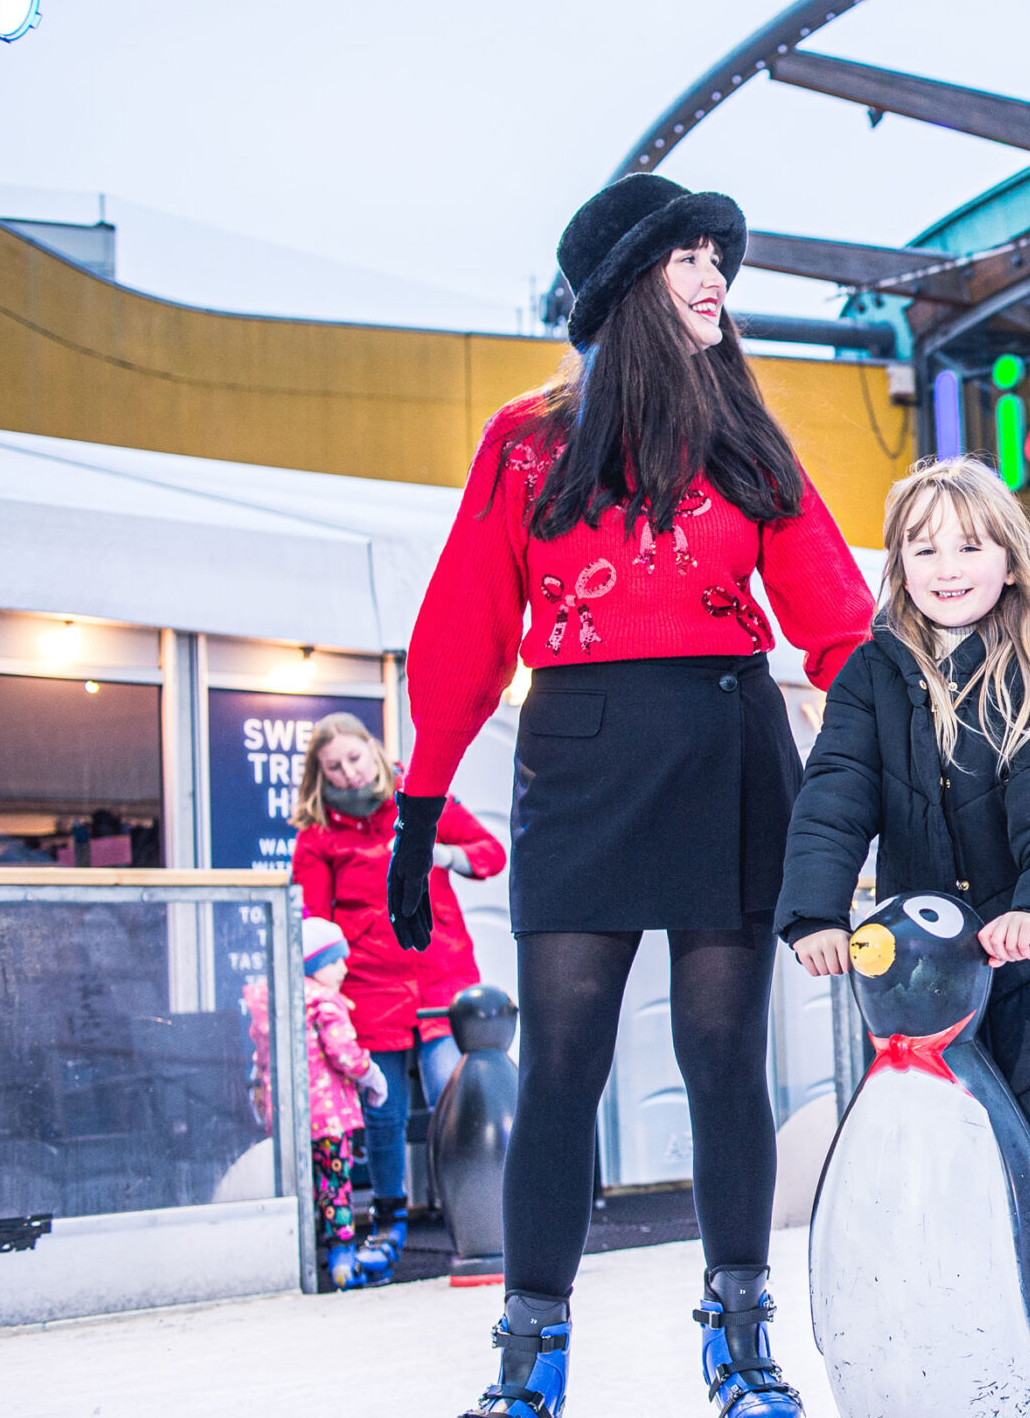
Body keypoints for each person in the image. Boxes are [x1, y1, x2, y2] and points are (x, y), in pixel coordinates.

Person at [391, 174, 874, 1418]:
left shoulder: (746, 434)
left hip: (728, 749)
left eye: (723, 255)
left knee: (723, 1061)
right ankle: (528, 1356)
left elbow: (837, 624)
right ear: (625, 285)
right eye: (690, 255)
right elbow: (461, 628)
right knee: (562, 1065)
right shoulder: (527, 438)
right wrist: (418, 809)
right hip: (579, 757)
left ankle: (742, 1339)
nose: (717, 275)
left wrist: (897, 772)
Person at [781, 457, 1030, 1418]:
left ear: (1008, 555)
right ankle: (962, 1338)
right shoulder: (874, 672)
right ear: (897, 563)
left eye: (969, 542)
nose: (946, 564)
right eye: (923, 546)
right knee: (944, 1166)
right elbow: (836, 797)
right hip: (932, 970)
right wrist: (817, 915)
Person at [289, 709, 504, 1284]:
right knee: (381, 1117)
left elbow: (491, 853)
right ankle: (388, 1226)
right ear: (321, 775)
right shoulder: (316, 835)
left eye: (355, 758)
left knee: (455, 1104)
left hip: (440, 977)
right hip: (367, 990)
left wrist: (446, 855)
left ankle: (483, 1223)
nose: (349, 774)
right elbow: (311, 919)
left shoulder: (421, 800)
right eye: (334, 768)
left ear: (373, 751)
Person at [302, 916, 389, 1293]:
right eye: (335, 960)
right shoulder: (325, 1002)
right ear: (314, 964)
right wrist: (372, 1075)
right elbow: (346, 1055)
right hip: (330, 1119)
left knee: (303, 1186)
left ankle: (303, 1257)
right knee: (335, 1185)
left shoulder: (282, 1002)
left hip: (293, 1120)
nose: (344, 968)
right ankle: (342, 1261)